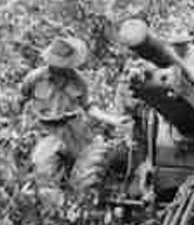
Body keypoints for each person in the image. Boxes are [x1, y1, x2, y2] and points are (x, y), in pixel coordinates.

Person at [19, 36, 130, 209]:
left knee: (83, 179)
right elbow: (21, 99)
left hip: (74, 130)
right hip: (47, 130)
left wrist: (113, 120)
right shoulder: (35, 78)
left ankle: (78, 212)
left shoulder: (78, 81)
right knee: (45, 174)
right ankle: (55, 213)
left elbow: (89, 108)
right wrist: (19, 126)